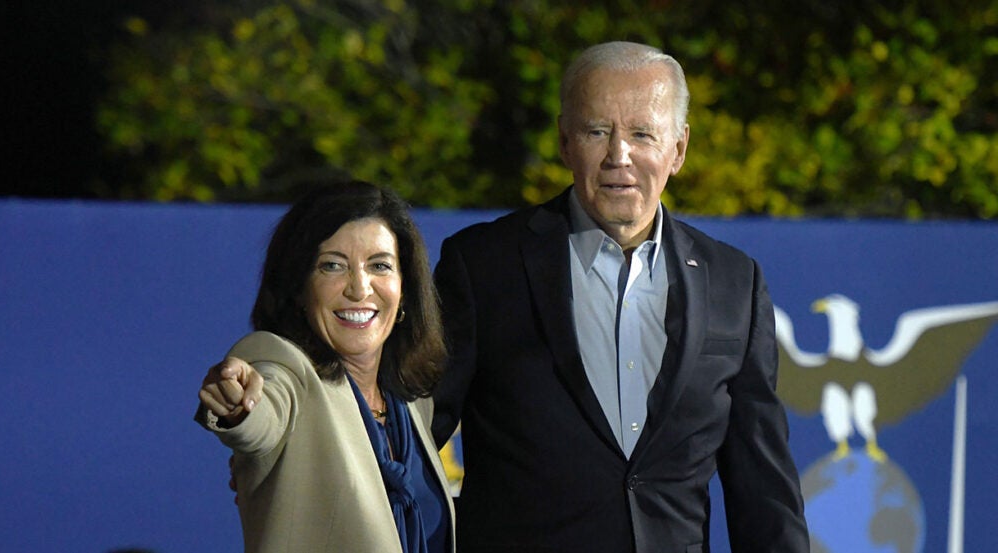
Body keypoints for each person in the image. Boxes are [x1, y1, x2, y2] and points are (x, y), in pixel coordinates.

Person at [430, 41, 809, 552]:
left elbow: (763, 486)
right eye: (597, 132)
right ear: (565, 142)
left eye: (642, 134)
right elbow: (417, 438)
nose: (618, 156)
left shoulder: (734, 283)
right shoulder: (483, 265)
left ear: (678, 150)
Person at [196, 180, 455, 553]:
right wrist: (240, 408)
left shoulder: (413, 402)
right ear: (299, 287)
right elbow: (262, 417)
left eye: (380, 265)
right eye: (332, 265)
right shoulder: (284, 367)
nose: (359, 288)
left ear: (405, 291)